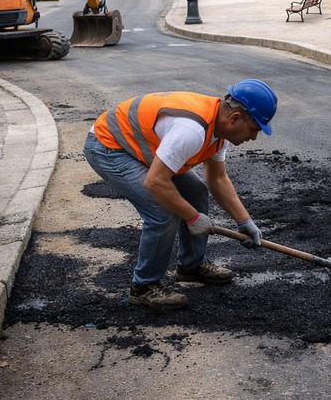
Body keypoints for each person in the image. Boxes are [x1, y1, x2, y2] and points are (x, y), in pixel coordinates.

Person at [83, 80, 278, 309]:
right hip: (109, 146)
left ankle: (191, 267)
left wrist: (245, 221)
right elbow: (155, 181)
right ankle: (144, 287)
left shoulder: (220, 129)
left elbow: (217, 179)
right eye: (255, 129)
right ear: (234, 118)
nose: (254, 138)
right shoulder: (192, 130)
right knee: (162, 211)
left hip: (141, 147)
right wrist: (192, 217)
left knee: (196, 192)